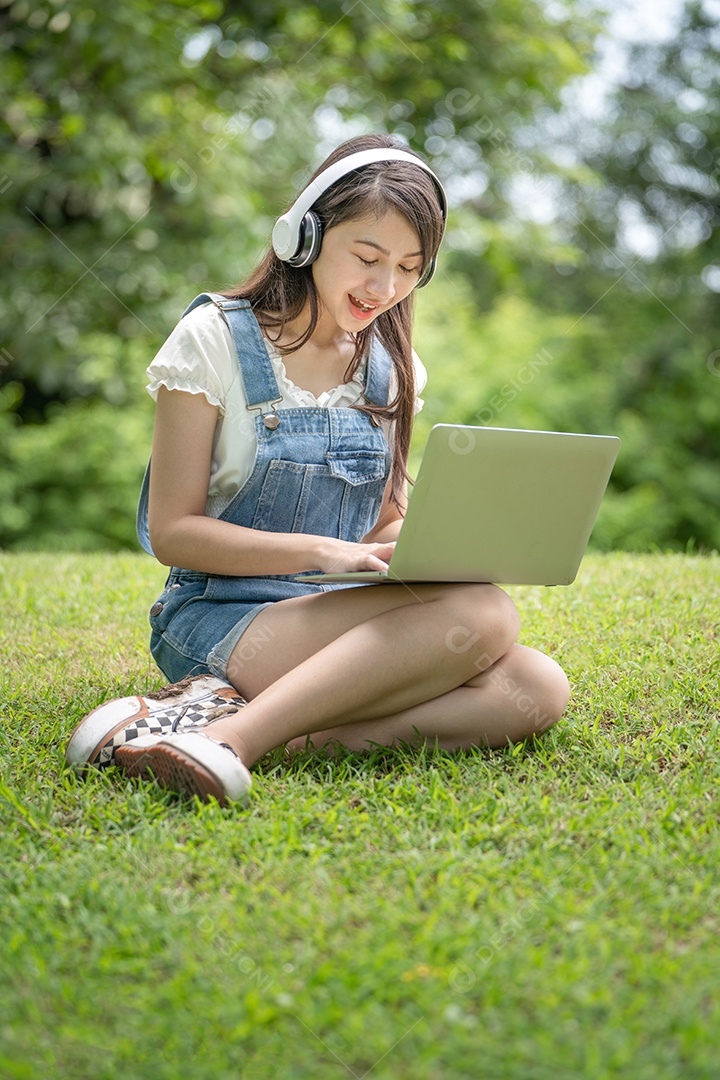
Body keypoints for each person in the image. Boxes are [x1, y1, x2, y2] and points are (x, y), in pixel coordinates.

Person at [66, 132, 570, 805]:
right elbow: (173, 531)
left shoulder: (392, 367)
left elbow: (380, 519)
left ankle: (216, 728)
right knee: (485, 618)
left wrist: (436, 542)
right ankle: (229, 746)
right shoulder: (212, 339)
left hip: (329, 609)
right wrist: (326, 553)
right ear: (302, 238)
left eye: (409, 267)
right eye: (367, 257)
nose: (384, 287)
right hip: (221, 615)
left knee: (538, 689)